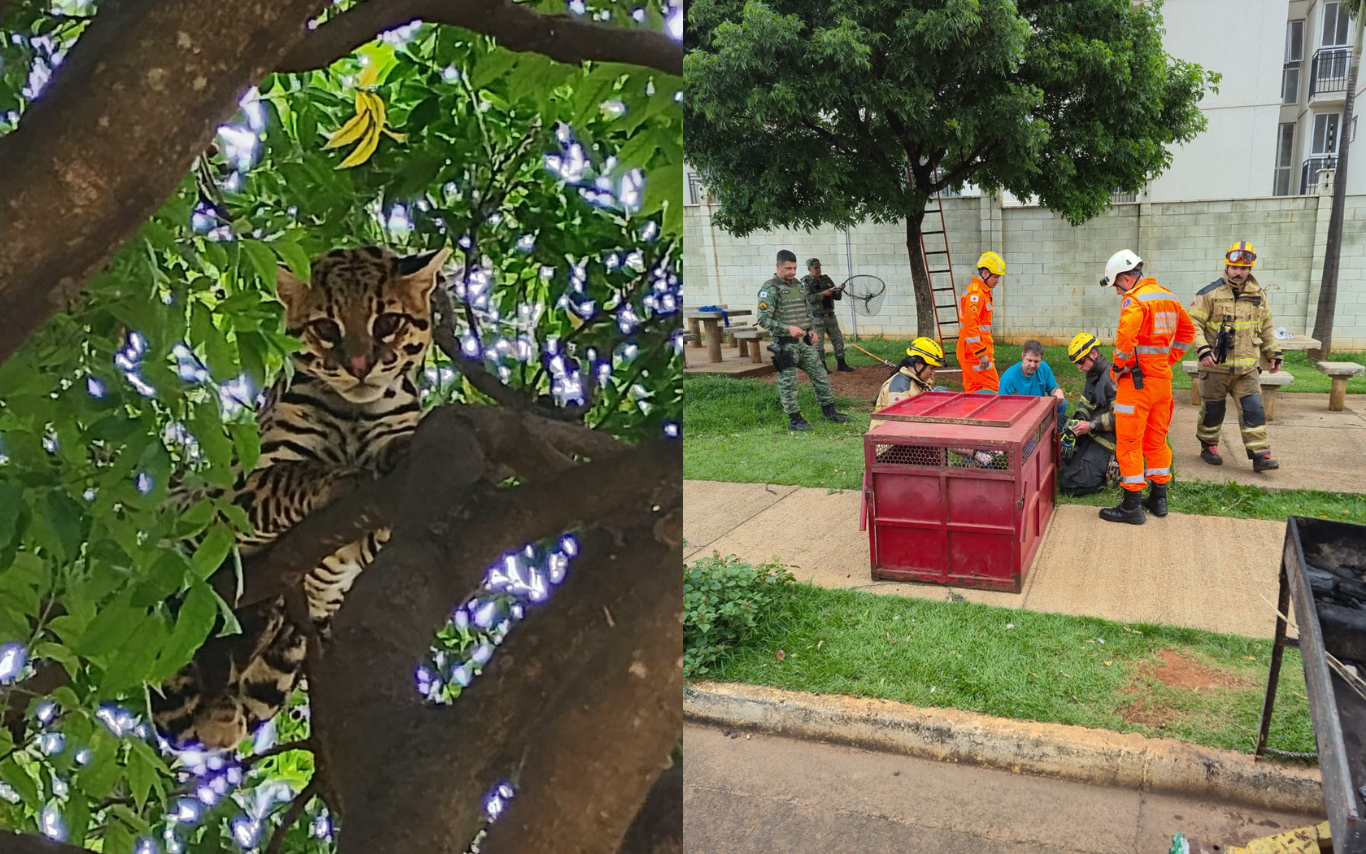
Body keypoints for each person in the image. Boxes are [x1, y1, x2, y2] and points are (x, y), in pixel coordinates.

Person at [1097, 249, 1196, 525]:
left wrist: (1117, 367)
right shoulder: (1168, 296)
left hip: (1136, 384)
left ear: (1125, 278)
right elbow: (1188, 333)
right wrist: (1168, 359)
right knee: (1156, 440)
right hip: (1162, 383)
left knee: (1129, 442)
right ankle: (1158, 499)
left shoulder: (1135, 300)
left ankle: (1131, 507)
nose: (1117, 292)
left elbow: (1126, 335)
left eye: (1116, 286)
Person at [1187, 241, 1282, 472]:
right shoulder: (1208, 294)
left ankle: (1260, 455)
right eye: (1234, 268)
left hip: (1247, 369)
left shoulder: (1259, 296)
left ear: (1250, 269)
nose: (1239, 273)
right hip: (1215, 368)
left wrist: (1273, 352)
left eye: (1244, 269)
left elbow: (1267, 326)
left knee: (1254, 410)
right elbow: (1192, 325)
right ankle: (1208, 446)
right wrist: (1202, 350)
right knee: (1213, 412)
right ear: (1227, 266)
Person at [756, 250, 851, 431]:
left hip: (804, 343)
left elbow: (807, 311)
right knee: (789, 383)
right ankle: (795, 420)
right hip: (784, 345)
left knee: (821, 375)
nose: (792, 272)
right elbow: (763, 320)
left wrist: (812, 330)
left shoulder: (798, 286)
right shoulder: (770, 289)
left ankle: (829, 412)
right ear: (778, 266)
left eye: (794, 268)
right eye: (788, 268)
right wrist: (787, 328)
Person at [1058, 333, 1118, 496]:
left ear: (1093, 354)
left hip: (1106, 443)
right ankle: (1074, 458)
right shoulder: (1093, 375)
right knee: (1056, 421)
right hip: (1091, 433)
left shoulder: (1112, 378)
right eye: (1076, 362)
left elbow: (1119, 418)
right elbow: (1085, 403)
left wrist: (1091, 425)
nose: (1078, 366)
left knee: (1067, 483)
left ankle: (1112, 477)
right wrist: (1078, 422)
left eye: (1081, 361)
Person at [870, 337, 943, 428]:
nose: (933, 373)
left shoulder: (919, 382)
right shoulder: (899, 389)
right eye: (931, 368)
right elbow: (900, 426)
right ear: (918, 365)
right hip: (890, 438)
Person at [958, 251, 1004, 393]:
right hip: (975, 355)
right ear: (985, 273)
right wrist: (981, 353)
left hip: (970, 353)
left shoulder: (980, 292)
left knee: (972, 393)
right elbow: (970, 328)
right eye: (996, 277)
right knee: (994, 390)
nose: (998, 281)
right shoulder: (976, 295)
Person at [998, 339, 1068, 426]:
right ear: (1023, 356)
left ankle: (1052, 430)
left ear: (1041, 360)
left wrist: (1058, 391)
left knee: (1062, 403)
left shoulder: (1044, 368)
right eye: (1029, 360)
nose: (1032, 365)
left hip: (1039, 407)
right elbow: (1003, 408)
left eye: (1036, 361)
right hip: (1020, 414)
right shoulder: (1008, 377)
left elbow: (1053, 388)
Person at [801, 258, 852, 373]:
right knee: (818, 343)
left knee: (838, 340)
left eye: (819, 267)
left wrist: (838, 290)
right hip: (817, 318)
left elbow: (836, 297)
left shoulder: (826, 279)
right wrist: (822, 294)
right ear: (809, 269)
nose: (818, 270)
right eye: (815, 268)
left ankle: (841, 363)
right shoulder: (806, 282)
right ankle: (822, 366)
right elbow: (809, 298)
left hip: (830, 316)